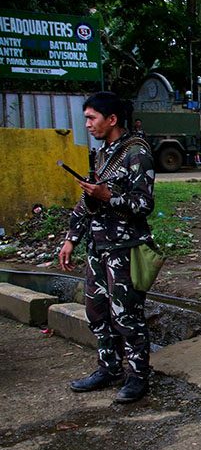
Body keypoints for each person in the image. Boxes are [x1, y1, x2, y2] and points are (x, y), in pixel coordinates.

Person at [59, 92, 156, 403]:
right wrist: (71, 238)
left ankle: (138, 376)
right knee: (97, 311)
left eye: (92, 118)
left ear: (111, 120)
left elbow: (143, 204)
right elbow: (87, 202)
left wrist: (107, 197)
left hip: (125, 248)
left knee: (126, 315)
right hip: (99, 247)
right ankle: (109, 367)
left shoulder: (136, 152)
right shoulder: (102, 154)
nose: (87, 124)